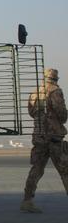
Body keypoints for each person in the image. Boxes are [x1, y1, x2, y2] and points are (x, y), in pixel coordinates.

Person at [21, 68, 68, 213]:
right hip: (54, 136)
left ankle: (27, 201)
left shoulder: (35, 92)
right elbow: (61, 114)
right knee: (65, 169)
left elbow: (30, 112)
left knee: (37, 168)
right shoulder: (55, 91)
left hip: (39, 136)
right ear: (55, 78)